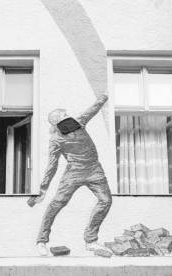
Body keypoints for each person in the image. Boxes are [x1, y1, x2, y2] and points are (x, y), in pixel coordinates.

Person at [27, 94, 112, 256]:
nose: (68, 117)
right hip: (74, 173)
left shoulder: (79, 122)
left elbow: (92, 110)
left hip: (95, 170)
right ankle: (42, 240)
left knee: (106, 201)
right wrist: (43, 189)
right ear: (58, 122)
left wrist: (102, 99)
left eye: (67, 115)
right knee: (57, 203)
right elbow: (52, 166)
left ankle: (91, 240)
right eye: (64, 116)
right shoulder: (55, 140)